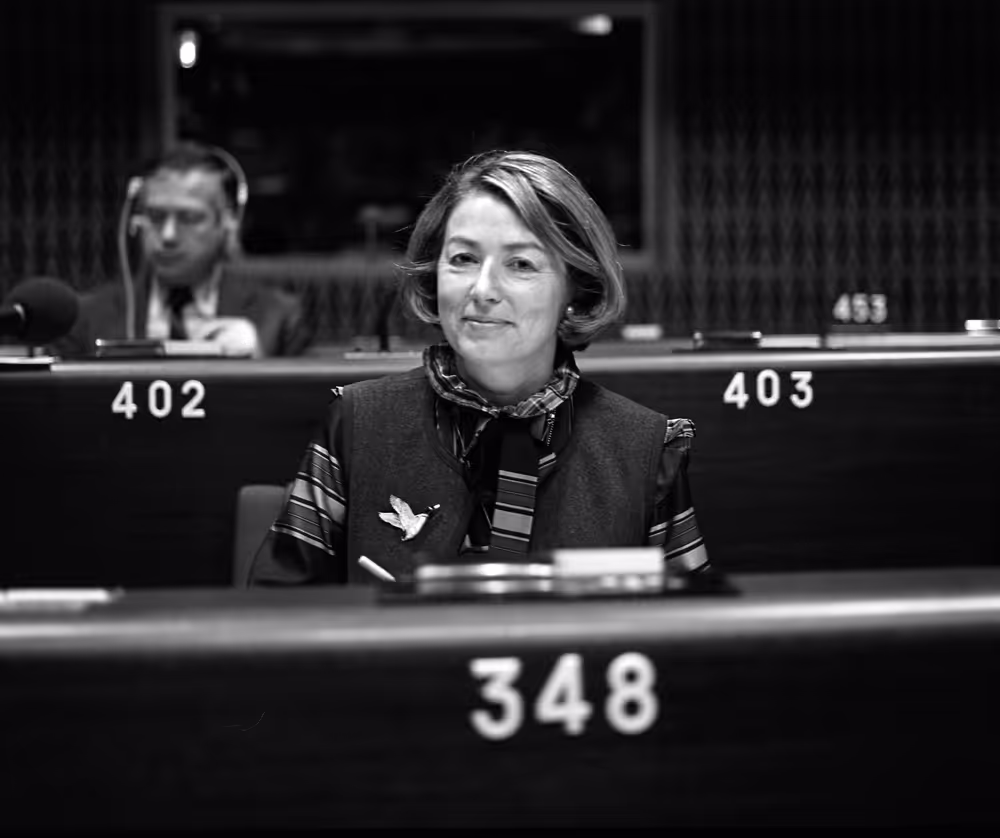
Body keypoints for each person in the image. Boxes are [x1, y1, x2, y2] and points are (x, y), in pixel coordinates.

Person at [249, 150, 708, 585]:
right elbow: (277, 618)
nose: (483, 289)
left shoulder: (647, 451)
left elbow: (688, 638)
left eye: (521, 264)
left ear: (577, 290)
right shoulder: (354, 423)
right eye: (463, 259)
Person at [51, 143, 312, 358]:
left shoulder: (278, 317)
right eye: (155, 216)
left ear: (228, 223)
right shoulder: (86, 318)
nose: (168, 236)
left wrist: (260, 360)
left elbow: (311, 415)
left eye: (189, 218)